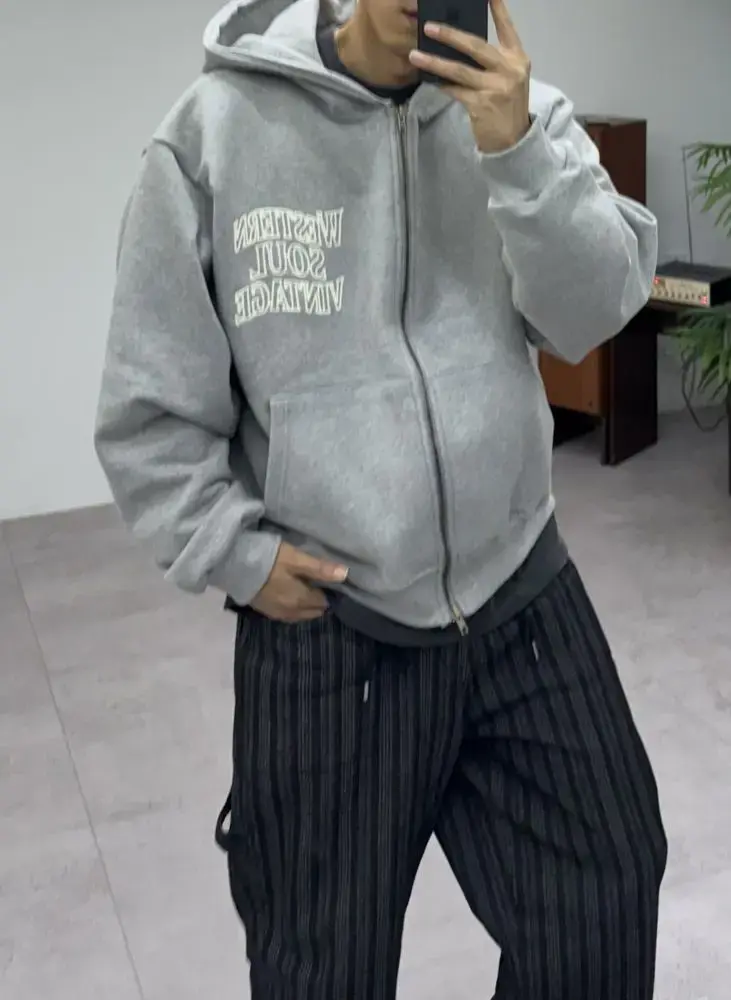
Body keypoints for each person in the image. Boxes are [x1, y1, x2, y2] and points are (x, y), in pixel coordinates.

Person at [95, 0, 668, 995]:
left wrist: (518, 156)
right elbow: (148, 411)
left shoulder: (522, 115)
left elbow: (594, 311)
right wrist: (235, 553)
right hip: (331, 625)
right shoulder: (213, 134)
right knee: (321, 967)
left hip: (517, 594)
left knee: (605, 891)